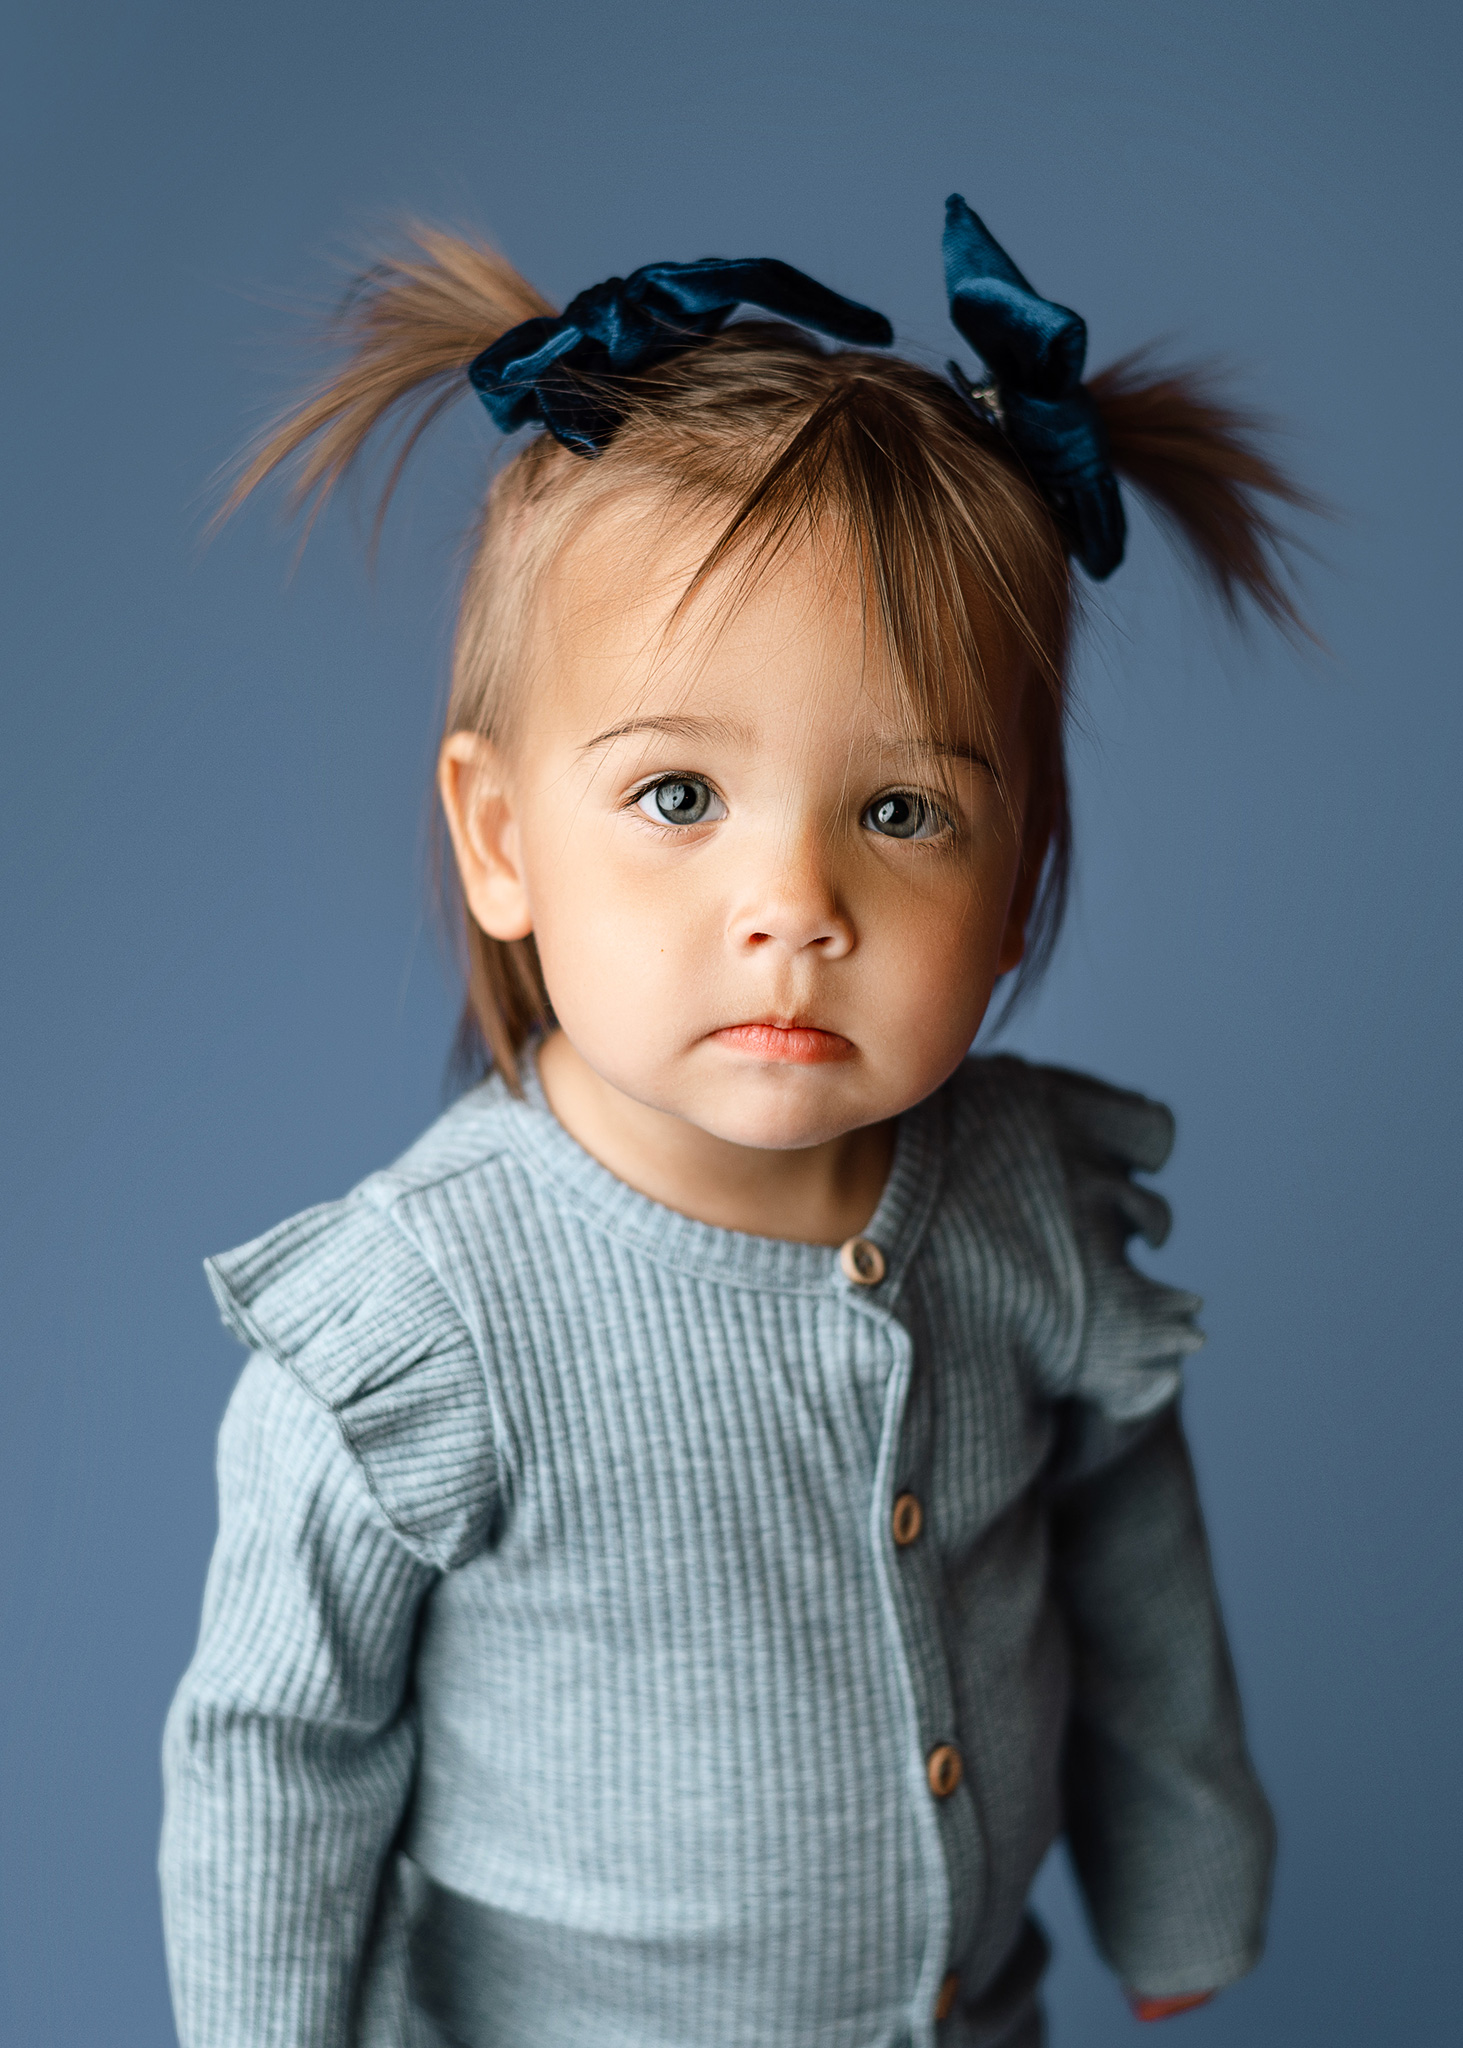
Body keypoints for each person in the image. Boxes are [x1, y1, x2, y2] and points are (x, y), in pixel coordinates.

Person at [160, 196, 1306, 2048]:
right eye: (680, 792)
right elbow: (276, 1761)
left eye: (906, 813)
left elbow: (1131, 1562)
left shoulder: (1021, 1203)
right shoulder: (427, 1326)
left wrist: (1182, 1875)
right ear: (504, 836)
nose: (796, 903)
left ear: (1018, 891)